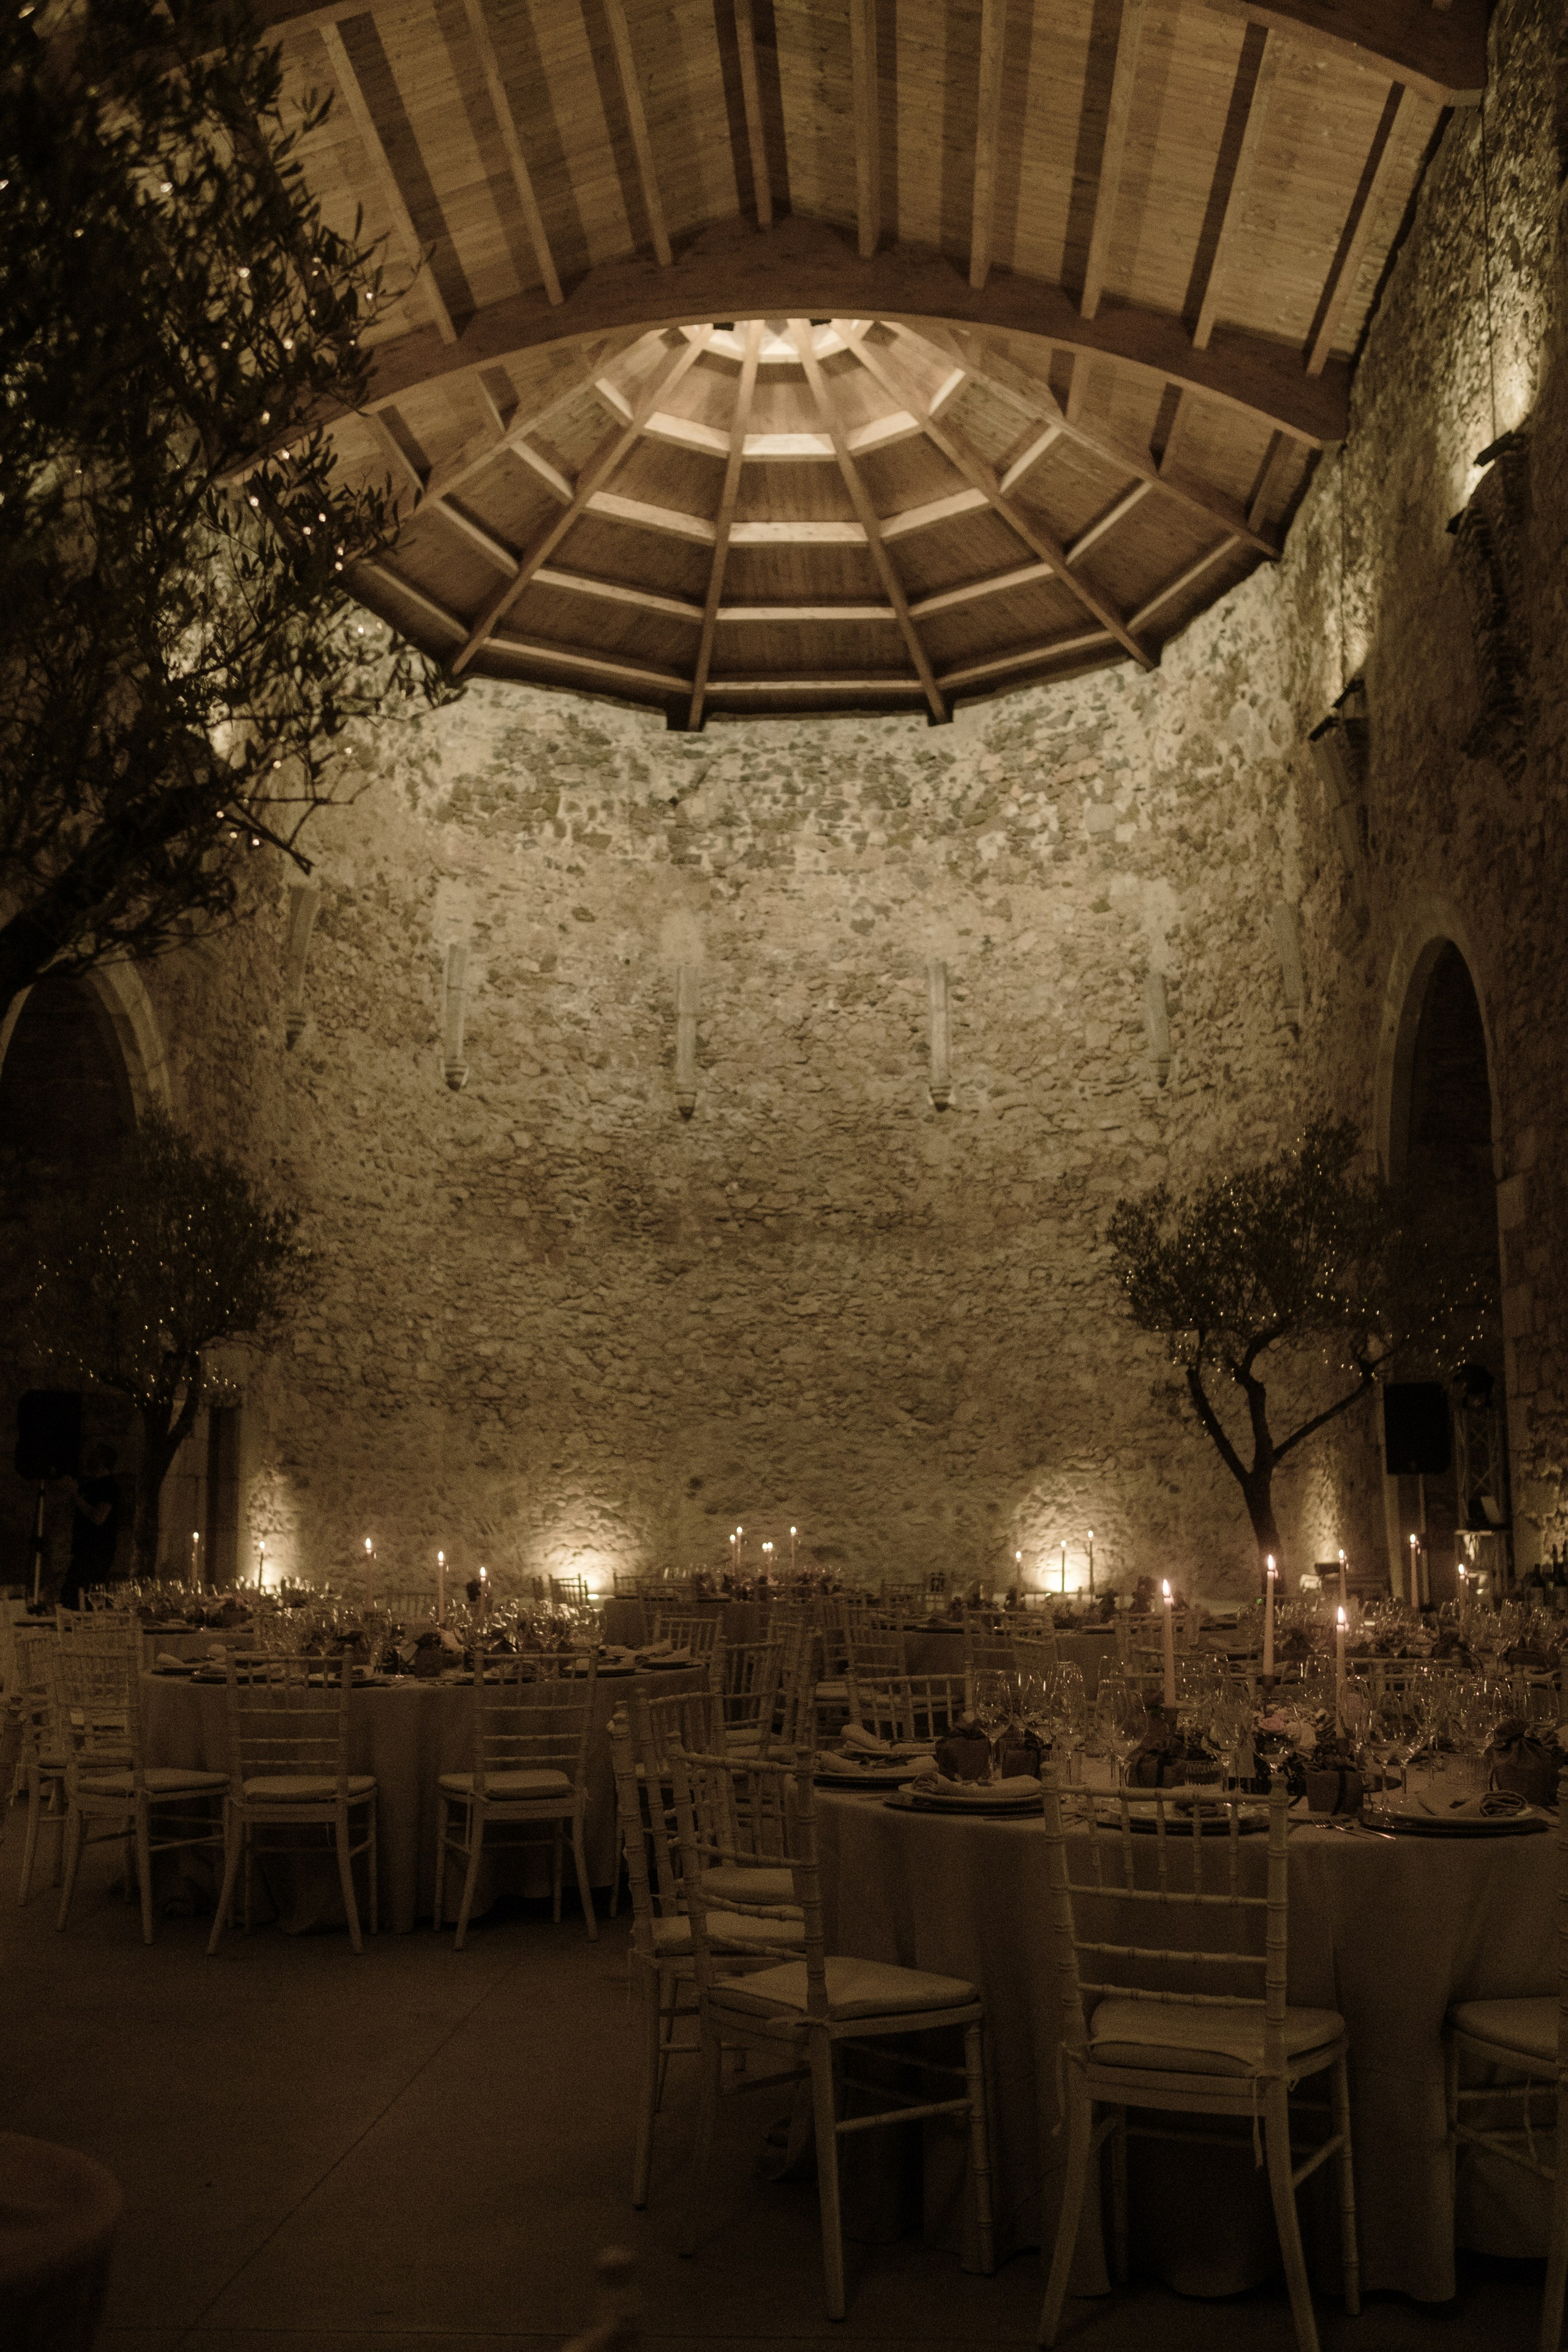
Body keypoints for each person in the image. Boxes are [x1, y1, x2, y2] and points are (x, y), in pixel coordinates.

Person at [60, 1443, 121, 1607]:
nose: (89, 1458)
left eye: (95, 1455)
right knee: (70, 1596)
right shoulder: (88, 1486)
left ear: (104, 1461)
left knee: (84, 1598)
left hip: (97, 1552)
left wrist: (76, 1496)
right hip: (82, 1550)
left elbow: (98, 1518)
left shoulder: (109, 1487)